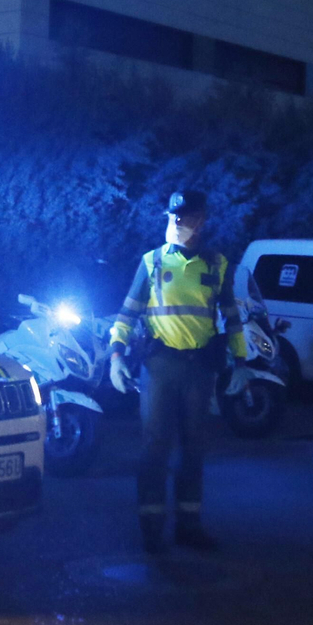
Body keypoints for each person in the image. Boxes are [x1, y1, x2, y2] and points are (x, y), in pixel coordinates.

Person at [108, 190, 245, 554]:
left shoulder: (217, 265)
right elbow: (127, 313)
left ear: (201, 220)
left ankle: (189, 526)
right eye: (172, 217)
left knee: (194, 449)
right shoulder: (152, 262)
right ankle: (151, 531)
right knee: (155, 448)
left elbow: (232, 318)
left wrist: (242, 362)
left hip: (199, 368)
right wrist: (116, 356)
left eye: (183, 218)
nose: (176, 224)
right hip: (160, 367)